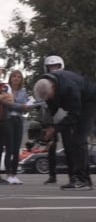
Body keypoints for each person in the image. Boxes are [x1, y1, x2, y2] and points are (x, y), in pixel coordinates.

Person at [33, 68, 96, 190]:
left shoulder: (69, 89)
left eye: (48, 96)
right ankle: (80, 178)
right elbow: (52, 108)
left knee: (78, 139)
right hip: (76, 103)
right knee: (73, 140)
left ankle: (83, 181)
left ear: (53, 89)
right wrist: (49, 129)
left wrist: (55, 129)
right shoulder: (45, 83)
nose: (47, 99)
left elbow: (74, 115)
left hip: (89, 101)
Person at [39, 55, 71, 184]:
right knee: (51, 147)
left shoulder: (67, 80)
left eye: (56, 66)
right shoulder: (44, 81)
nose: (54, 69)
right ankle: (52, 175)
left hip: (65, 115)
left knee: (69, 146)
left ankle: (72, 175)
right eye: (51, 66)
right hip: (50, 116)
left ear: (61, 66)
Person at [2, 69, 33, 184]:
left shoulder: (24, 91)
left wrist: (25, 107)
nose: (16, 78)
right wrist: (21, 106)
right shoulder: (6, 89)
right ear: (10, 78)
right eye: (14, 76)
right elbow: (7, 104)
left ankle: (14, 174)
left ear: (21, 79)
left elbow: (25, 109)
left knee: (16, 149)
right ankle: (8, 175)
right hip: (8, 119)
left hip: (19, 120)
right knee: (9, 148)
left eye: (18, 77)